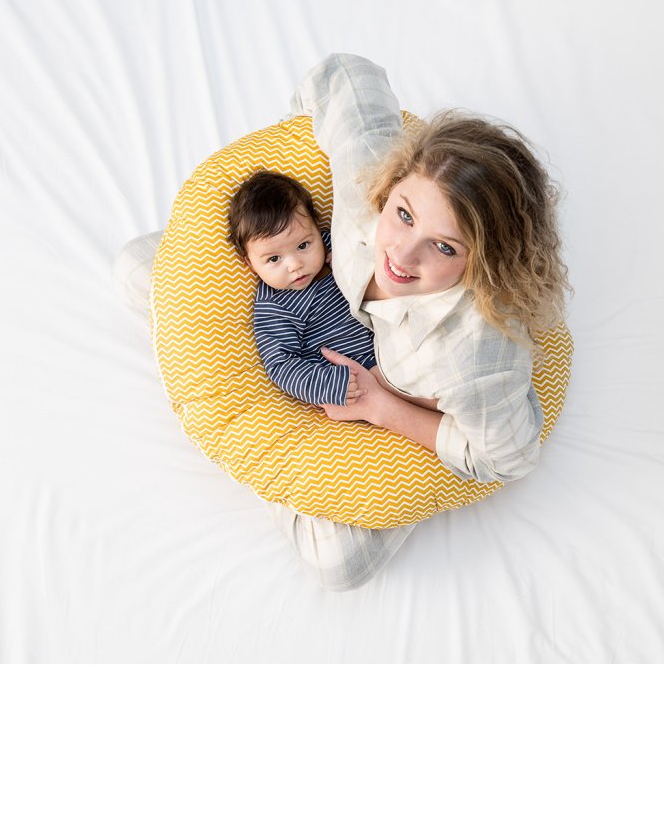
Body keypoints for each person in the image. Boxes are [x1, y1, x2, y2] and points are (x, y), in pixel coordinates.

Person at [112, 52, 569, 592]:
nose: (401, 254)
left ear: (484, 264)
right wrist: (295, 128)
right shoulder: (364, 190)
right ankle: (266, 464)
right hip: (318, 357)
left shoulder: (474, 354)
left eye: (444, 246)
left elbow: (511, 457)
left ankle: (292, 491)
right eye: (404, 214)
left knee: (338, 565)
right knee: (135, 266)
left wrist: (381, 406)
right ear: (392, 184)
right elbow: (348, 75)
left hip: (387, 400)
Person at [226, 169, 376, 407]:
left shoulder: (337, 244)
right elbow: (281, 365)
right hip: (352, 378)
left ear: (317, 226)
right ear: (251, 264)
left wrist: (347, 258)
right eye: (274, 259)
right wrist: (329, 385)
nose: (295, 265)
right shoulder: (274, 306)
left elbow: (371, 247)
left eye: (303, 245)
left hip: (389, 345)